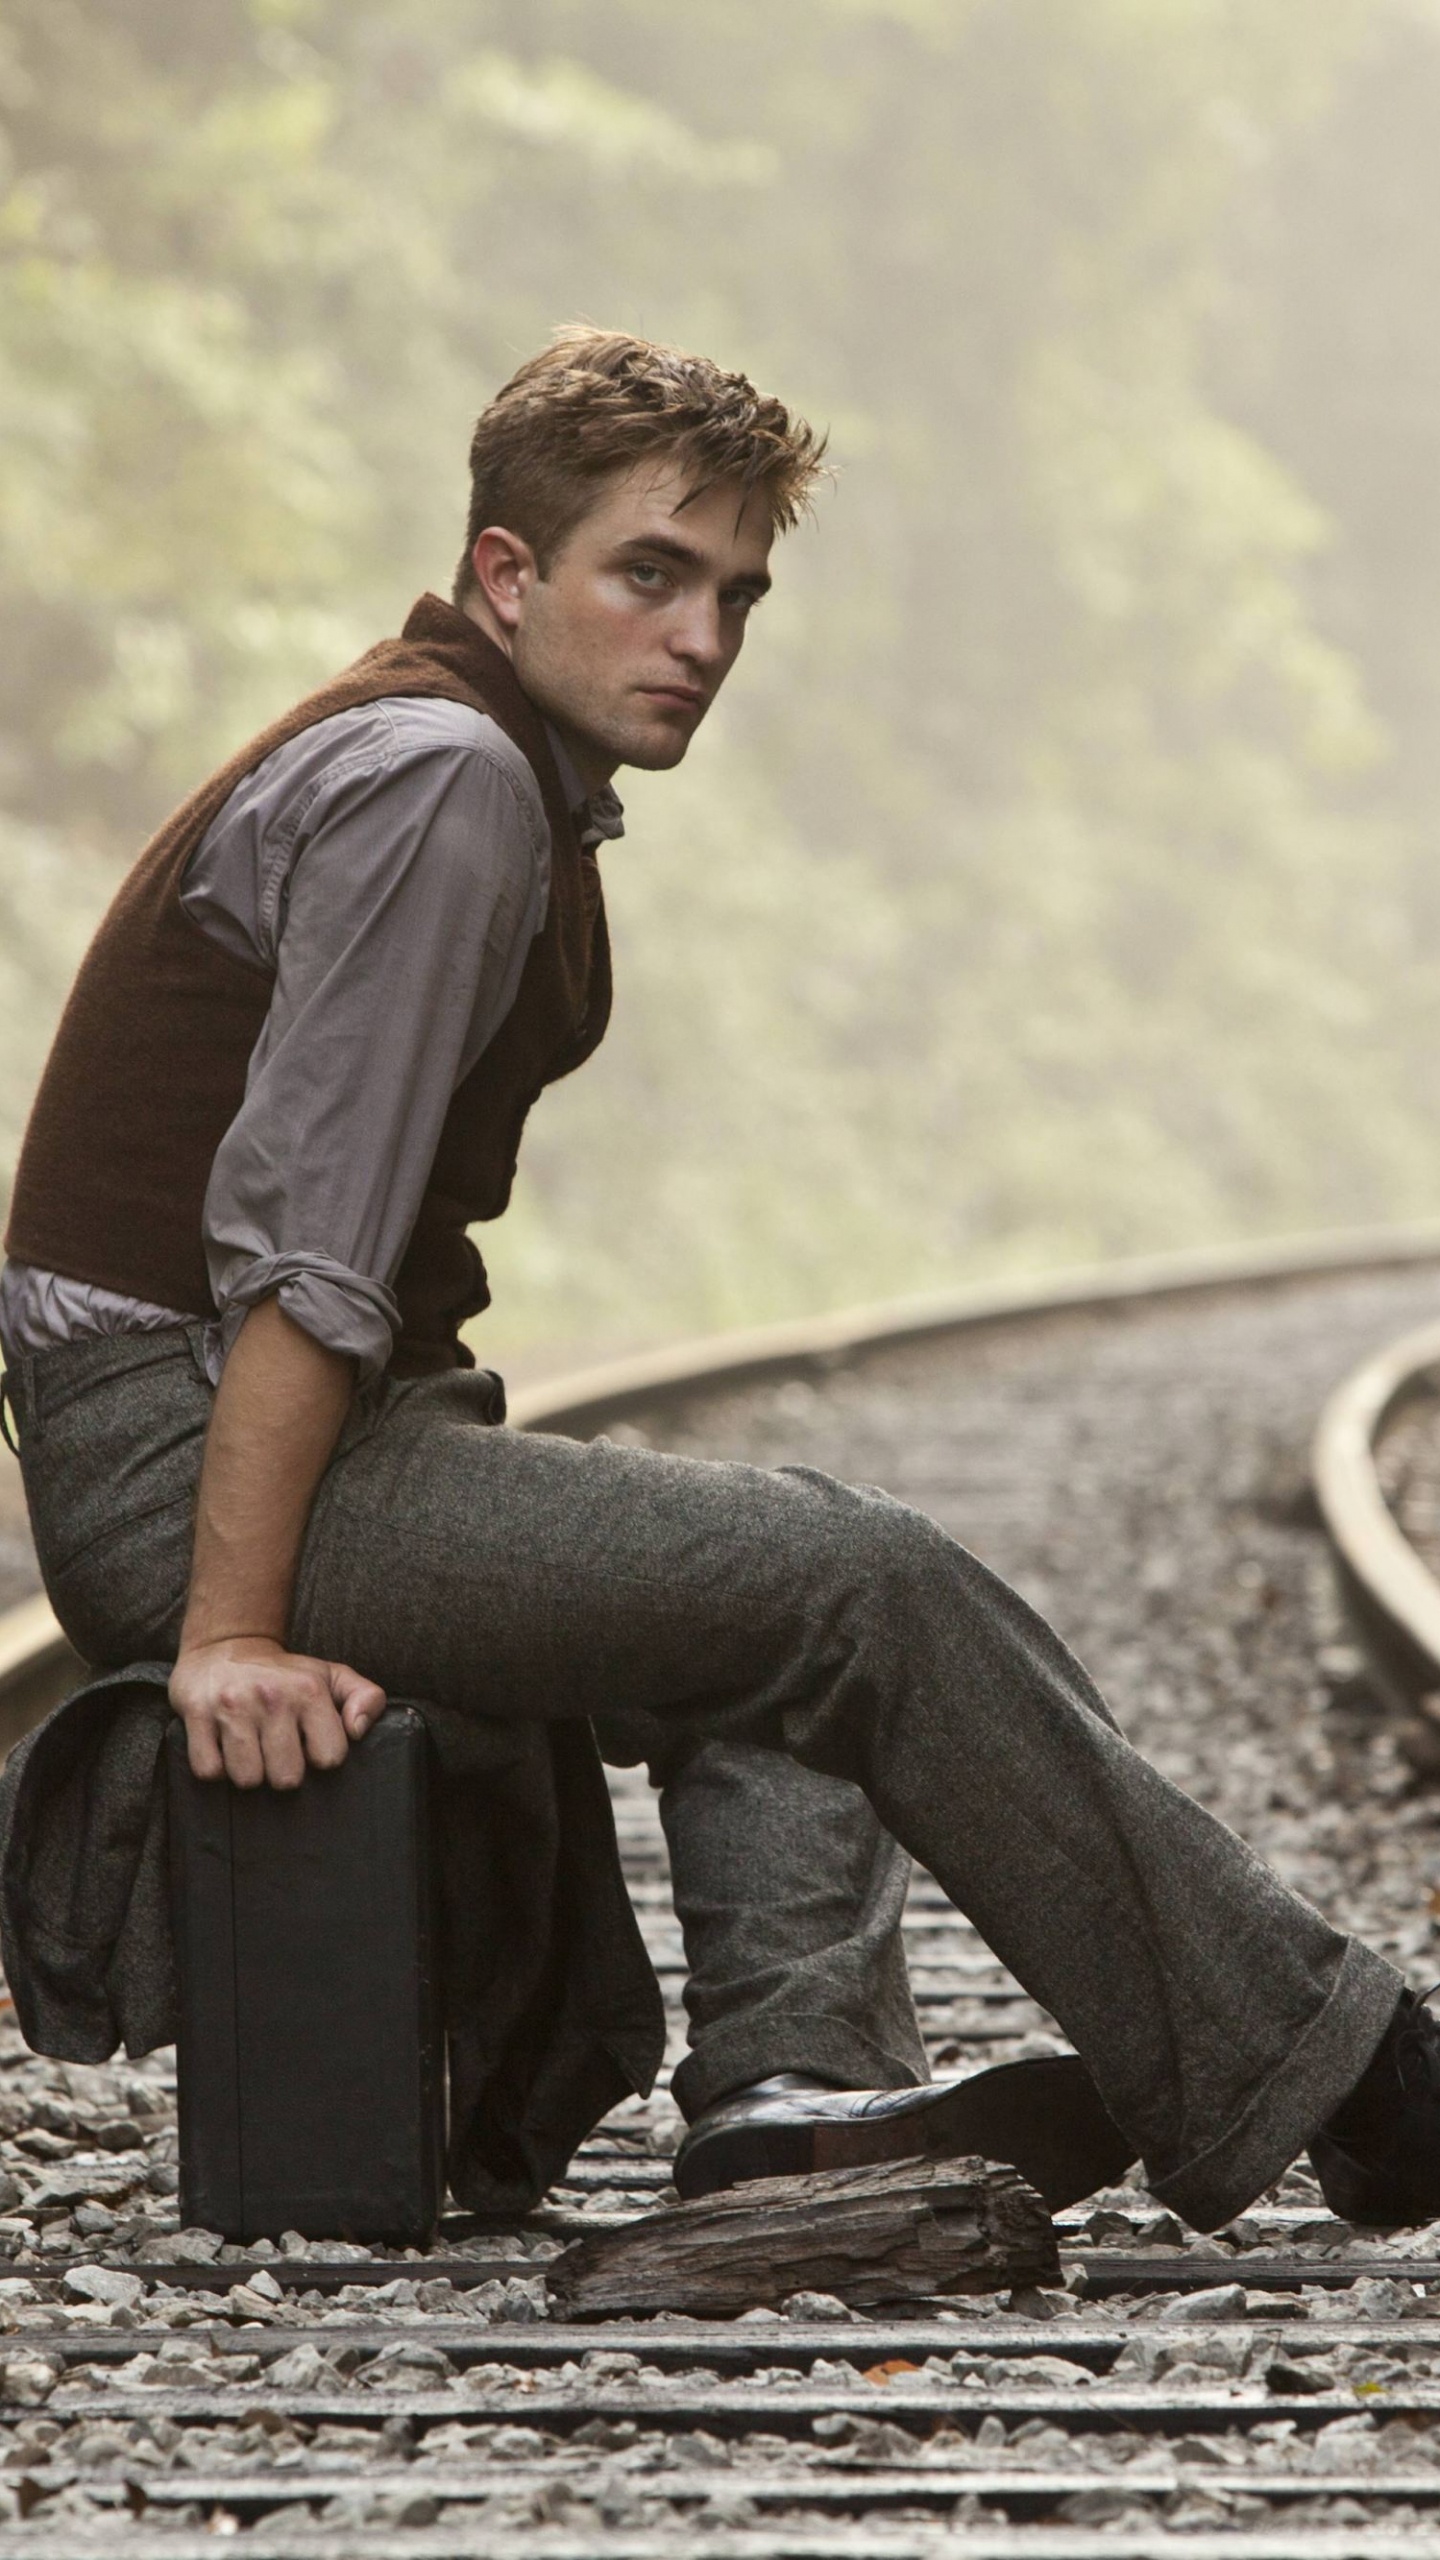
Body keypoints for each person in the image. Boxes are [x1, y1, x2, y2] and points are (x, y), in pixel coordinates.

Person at [0, 328, 1435, 2235]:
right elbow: (307, 1260)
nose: (702, 638)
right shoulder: (446, 783)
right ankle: (1359, 2078)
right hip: (195, 1453)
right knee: (862, 1583)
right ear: (508, 575)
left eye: (736, 594)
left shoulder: (468, 752)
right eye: (648, 576)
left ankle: (797, 2102)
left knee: (771, 1575)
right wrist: (228, 1633)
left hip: (261, 1427)